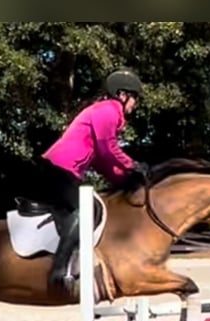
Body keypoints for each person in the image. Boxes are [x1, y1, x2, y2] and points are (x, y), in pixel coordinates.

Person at [38, 67, 148, 294]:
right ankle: (59, 270)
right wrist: (132, 165)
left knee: (94, 205)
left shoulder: (107, 113)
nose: (135, 104)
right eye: (134, 98)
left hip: (63, 170)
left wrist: (123, 179)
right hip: (58, 169)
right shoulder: (108, 111)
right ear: (122, 95)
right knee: (87, 209)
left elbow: (100, 160)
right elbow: (108, 149)